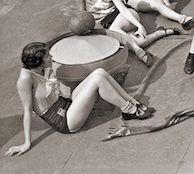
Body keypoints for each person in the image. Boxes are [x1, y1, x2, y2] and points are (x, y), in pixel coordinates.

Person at [5, 42, 154, 156]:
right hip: (64, 120)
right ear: (37, 61)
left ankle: (131, 102)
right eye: (47, 57)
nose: (51, 57)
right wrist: (26, 143)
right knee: (97, 81)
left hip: (66, 104)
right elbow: (26, 111)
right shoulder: (25, 79)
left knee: (99, 73)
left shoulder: (40, 69)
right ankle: (129, 110)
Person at [76, 0, 179, 67]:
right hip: (107, 23)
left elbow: (123, 10)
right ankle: (161, 33)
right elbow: (83, 16)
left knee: (115, 30)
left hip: (125, 16)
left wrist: (139, 26)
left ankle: (139, 52)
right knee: (139, 42)